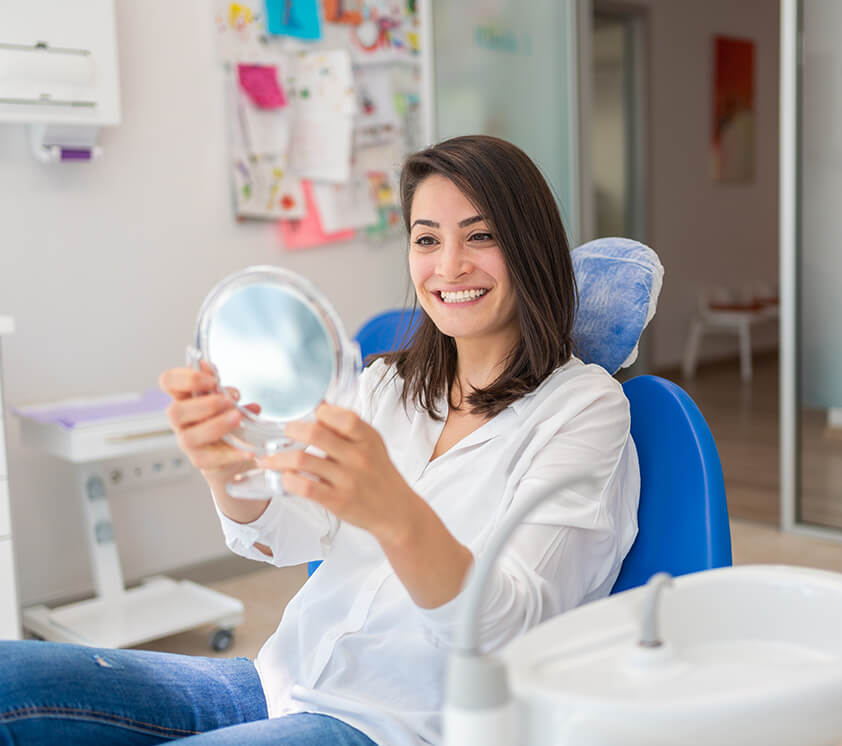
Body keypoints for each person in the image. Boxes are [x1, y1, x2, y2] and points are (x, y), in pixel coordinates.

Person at [0, 135, 639, 745]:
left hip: (404, 727)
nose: (450, 266)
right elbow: (293, 531)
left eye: (481, 236)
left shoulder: (581, 410)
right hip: (281, 683)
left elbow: (511, 627)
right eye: (426, 239)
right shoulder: (388, 385)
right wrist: (228, 472)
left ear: (531, 246)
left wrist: (395, 514)